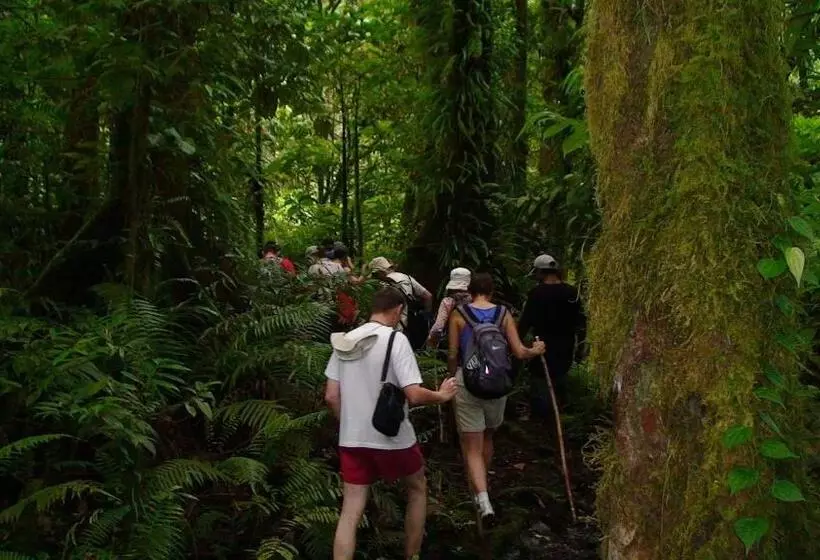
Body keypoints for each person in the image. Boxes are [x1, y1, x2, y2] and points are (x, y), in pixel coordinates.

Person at [324, 288, 458, 560]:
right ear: (397, 310)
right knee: (417, 489)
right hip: (392, 437)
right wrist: (442, 395)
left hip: (351, 440)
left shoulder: (345, 340)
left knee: (350, 511)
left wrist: (347, 423)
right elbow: (414, 393)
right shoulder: (396, 340)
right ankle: (412, 555)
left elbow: (331, 396)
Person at [447, 272, 545, 525]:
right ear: (491, 291)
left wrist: (451, 378)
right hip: (497, 384)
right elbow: (519, 352)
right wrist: (536, 350)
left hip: (467, 383)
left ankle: (481, 498)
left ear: (470, 290)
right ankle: (484, 485)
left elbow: (452, 353)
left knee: (471, 447)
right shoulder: (503, 314)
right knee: (488, 435)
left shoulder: (458, 314)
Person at [518, 254, 587, 418]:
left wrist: (516, 344)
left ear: (541, 272)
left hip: (541, 347)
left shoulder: (536, 294)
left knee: (540, 382)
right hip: (565, 347)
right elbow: (581, 323)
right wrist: (580, 348)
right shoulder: (571, 293)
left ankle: (542, 420)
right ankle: (559, 414)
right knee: (559, 378)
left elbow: (525, 322)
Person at [368, 257, 432, 348]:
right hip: (411, 327)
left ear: (379, 272)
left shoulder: (380, 285)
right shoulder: (407, 278)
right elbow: (428, 296)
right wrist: (426, 317)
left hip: (391, 331)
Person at [426, 267, 472, 348]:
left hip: (453, 343)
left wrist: (431, 341)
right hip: (472, 342)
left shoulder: (448, 301)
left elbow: (438, 327)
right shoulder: (475, 299)